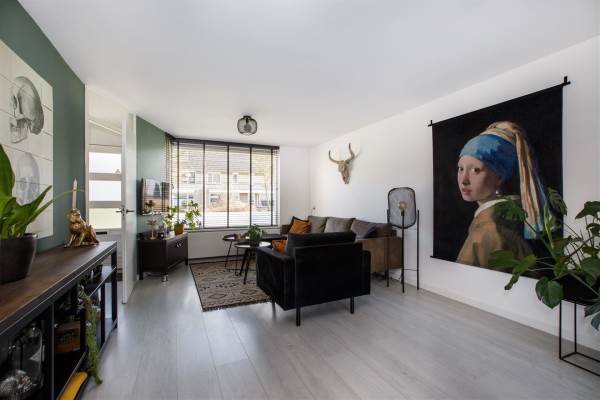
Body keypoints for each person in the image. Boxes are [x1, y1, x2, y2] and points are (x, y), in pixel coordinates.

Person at [456, 121, 548, 267]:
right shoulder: (510, 218)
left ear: (499, 176)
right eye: (461, 169)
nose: (464, 180)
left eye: (476, 170)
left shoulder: (488, 231)